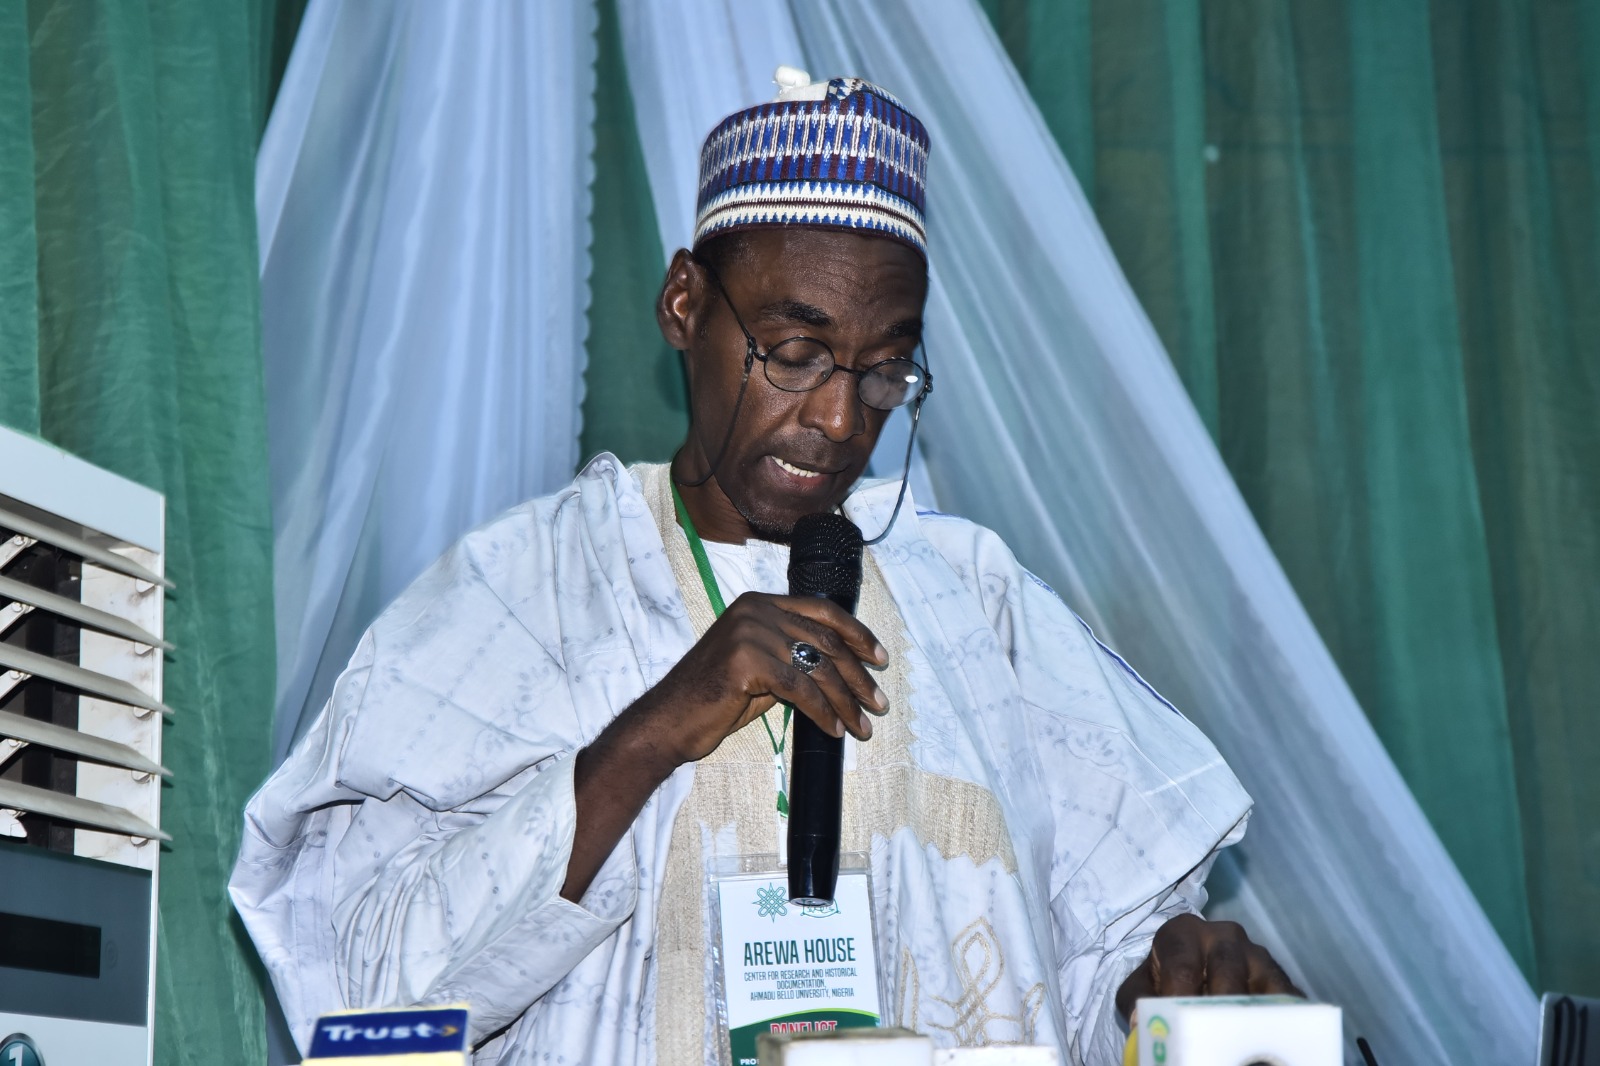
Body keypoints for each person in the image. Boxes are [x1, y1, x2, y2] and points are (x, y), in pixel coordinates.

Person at [231, 72, 1297, 1066]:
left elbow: (1087, 964)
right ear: (683, 305)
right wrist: (653, 732)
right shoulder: (525, 590)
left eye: (884, 373)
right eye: (794, 354)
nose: (839, 419)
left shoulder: (978, 600)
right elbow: (362, 997)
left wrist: (1162, 993)